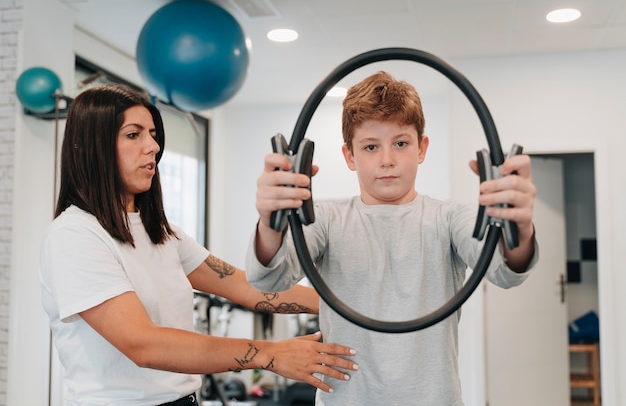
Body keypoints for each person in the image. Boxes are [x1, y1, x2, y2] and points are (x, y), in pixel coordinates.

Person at [39, 84, 358, 406]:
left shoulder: (163, 234)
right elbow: (143, 344)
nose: (153, 146)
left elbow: (247, 287)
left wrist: (354, 306)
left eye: (152, 133)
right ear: (88, 147)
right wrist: (270, 354)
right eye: (133, 135)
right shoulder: (75, 235)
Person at [246, 71, 538, 406]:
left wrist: (522, 226)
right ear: (350, 156)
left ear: (421, 148)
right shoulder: (324, 219)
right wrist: (271, 222)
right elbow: (267, 278)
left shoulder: (449, 217)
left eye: (400, 143)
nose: (387, 160)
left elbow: (506, 271)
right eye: (371, 147)